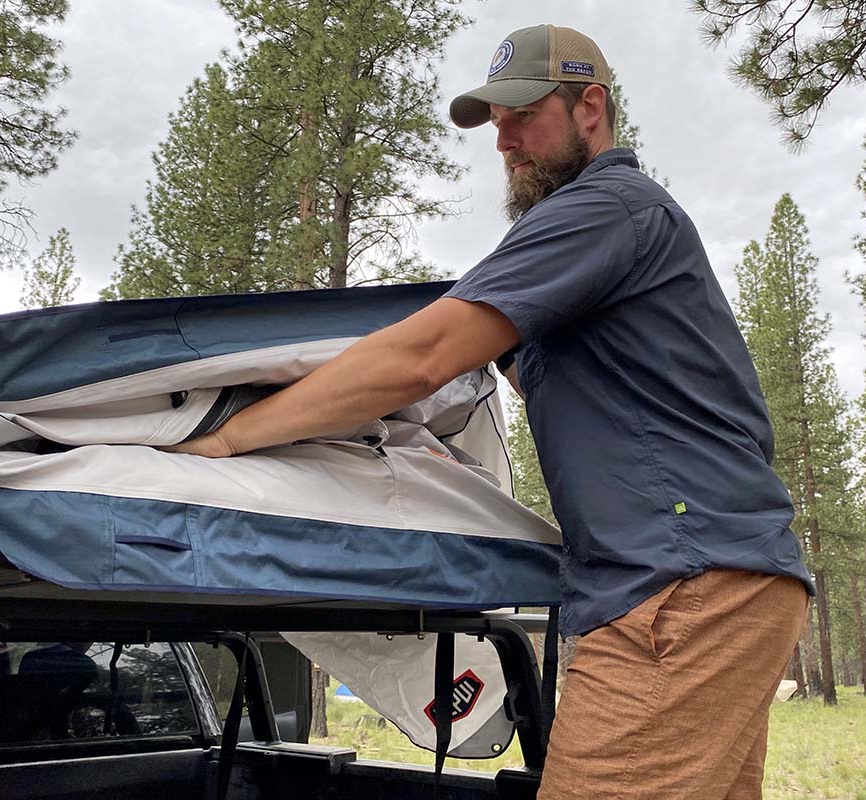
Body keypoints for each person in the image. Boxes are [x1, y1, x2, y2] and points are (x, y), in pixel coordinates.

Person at [167, 23, 813, 800]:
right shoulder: (598, 254)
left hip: (679, 588)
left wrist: (233, 436)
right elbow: (492, 373)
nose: (504, 140)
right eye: (495, 124)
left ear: (591, 108)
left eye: (523, 115)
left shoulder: (608, 206)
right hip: (720, 580)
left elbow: (421, 357)